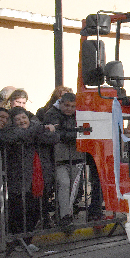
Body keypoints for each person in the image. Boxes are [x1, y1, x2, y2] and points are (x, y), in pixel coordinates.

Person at [0, 107, 58, 251]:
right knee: (18, 209)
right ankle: (16, 239)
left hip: (39, 176)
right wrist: (40, 129)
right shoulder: (11, 131)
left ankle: (27, 239)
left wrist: (39, 131)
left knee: (36, 209)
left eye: (23, 118)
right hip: (19, 178)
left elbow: (53, 138)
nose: (21, 121)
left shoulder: (35, 129)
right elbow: (18, 136)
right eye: (17, 119)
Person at [44, 92, 86, 227]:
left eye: (73, 106)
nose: (69, 109)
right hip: (59, 158)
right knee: (64, 184)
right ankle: (64, 216)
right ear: (61, 103)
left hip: (76, 157)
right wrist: (74, 133)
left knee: (73, 188)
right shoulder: (51, 114)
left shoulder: (78, 114)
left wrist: (69, 134)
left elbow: (83, 131)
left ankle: (64, 214)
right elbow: (55, 134)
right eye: (67, 105)